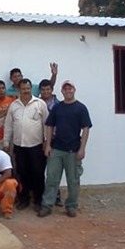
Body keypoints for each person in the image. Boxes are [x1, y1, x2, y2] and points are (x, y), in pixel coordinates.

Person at [39, 80, 92, 218]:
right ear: (62, 91)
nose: (68, 91)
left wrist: (82, 148)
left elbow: (86, 129)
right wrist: (48, 145)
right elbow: (49, 126)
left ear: (74, 90)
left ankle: (71, 206)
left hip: (73, 150)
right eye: (65, 89)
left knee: (73, 180)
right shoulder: (57, 108)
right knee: (51, 179)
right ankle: (47, 205)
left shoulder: (81, 108)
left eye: (70, 89)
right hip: (56, 149)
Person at [3, 79, 49, 211]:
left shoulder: (40, 104)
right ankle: (24, 199)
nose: (26, 90)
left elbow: (47, 124)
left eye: (28, 88)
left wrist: (47, 142)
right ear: (19, 90)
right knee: (22, 172)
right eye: (23, 88)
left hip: (36, 145)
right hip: (19, 146)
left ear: (31, 89)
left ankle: (39, 200)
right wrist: (6, 142)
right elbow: (8, 125)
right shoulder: (14, 105)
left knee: (38, 173)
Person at [39, 78, 62, 207]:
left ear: (52, 90)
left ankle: (56, 196)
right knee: (39, 169)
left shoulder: (59, 105)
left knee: (54, 171)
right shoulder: (35, 102)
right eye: (43, 89)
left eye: (48, 89)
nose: (45, 91)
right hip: (39, 140)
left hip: (55, 141)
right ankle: (43, 196)